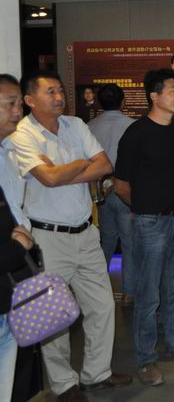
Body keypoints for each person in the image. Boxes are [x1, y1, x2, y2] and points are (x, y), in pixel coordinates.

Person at [7, 70, 131, 402]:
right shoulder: (22, 134)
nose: (59, 96)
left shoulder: (75, 125)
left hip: (86, 232)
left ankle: (97, 373)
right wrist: (79, 165)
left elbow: (104, 165)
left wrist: (64, 170)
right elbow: (47, 179)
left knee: (103, 306)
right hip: (47, 237)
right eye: (50, 92)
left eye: (60, 90)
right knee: (54, 315)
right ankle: (63, 383)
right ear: (30, 100)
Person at [114, 69, 174, 386]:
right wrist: (145, 208)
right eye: (173, 90)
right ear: (154, 96)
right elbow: (121, 184)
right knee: (148, 294)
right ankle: (146, 359)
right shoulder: (136, 133)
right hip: (150, 222)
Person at [0, 74, 35, 402]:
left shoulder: (9, 150)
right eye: (9, 104)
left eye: (18, 103)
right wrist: (15, 246)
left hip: (13, 281)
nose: (17, 111)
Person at [88, 84, 135, 305]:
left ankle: (97, 290)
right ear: (123, 102)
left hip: (100, 189)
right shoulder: (132, 125)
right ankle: (129, 292)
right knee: (129, 242)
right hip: (126, 189)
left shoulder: (90, 126)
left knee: (106, 240)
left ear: (99, 103)